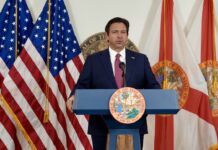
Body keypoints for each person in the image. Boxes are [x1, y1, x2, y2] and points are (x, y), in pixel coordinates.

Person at [66, 17, 160, 150]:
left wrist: (161, 97)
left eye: (123, 32)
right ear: (107, 36)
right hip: (101, 124)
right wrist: (74, 96)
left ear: (127, 36)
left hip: (134, 123)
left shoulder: (140, 60)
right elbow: (82, 84)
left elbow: (153, 85)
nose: (119, 36)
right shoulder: (94, 60)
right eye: (115, 32)